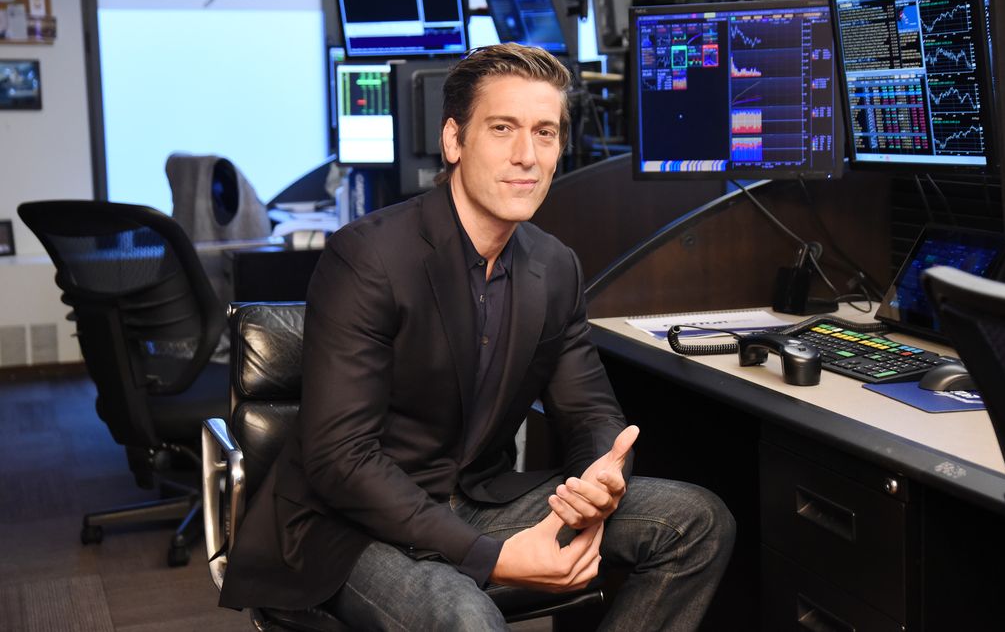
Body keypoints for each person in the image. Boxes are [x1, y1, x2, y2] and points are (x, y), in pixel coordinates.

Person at [219, 43, 734, 630]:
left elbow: (589, 410)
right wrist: (491, 557)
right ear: (454, 141)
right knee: (466, 615)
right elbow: (341, 459)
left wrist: (600, 476)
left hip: (476, 501)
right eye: (502, 128)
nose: (527, 155)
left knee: (696, 522)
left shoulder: (553, 265)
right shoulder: (368, 257)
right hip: (350, 524)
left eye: (545, 133)